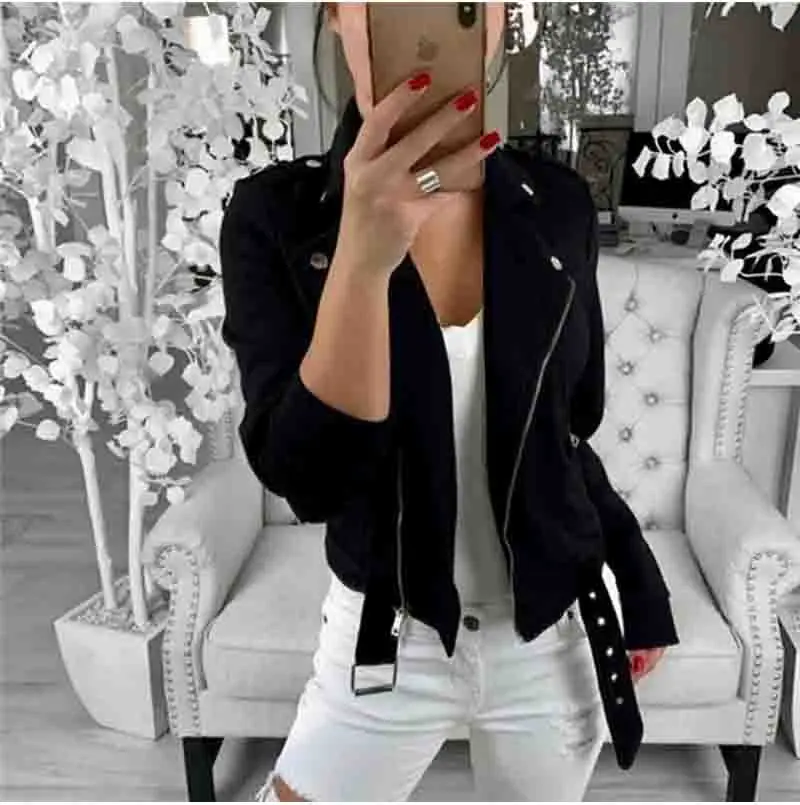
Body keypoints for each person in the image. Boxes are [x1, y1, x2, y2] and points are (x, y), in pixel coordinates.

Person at [219, 3, 679, 801]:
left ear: (499, 20)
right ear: (336, 16)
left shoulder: (558, 206)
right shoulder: (276, 218)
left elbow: (569, 437)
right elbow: (311, 481)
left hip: (551, 638)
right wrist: (362, 260)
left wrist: (640, 582)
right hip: (385, 638)